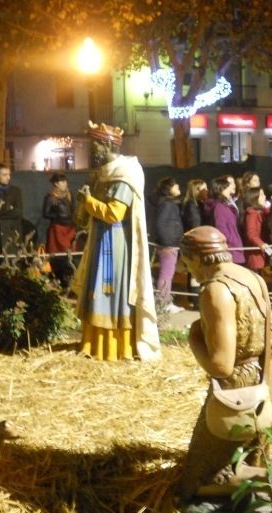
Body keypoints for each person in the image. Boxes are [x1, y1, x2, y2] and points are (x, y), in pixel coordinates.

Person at [177, 226, 272, 503]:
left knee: (198, 481)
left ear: (196, 258)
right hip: (266, 379)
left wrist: (194, 339)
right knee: (252, 455)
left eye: (187, 263)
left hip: (237, 392)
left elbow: (221, 365)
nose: (189, 270)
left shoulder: (215, 290)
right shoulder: (250, 276)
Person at [69, 121, 159, 361]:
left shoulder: (124, 175)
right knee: (95, 290)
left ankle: (116, 348)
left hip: (115, 242)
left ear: (108, 144)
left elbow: (115, 213)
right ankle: (92, 344)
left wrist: (89, 201)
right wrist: (83, 204)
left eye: (95, 144)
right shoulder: (102, 175)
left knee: (110, 291)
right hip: (100, 240)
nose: (92, 149)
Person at [152, 177, 185, 314]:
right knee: (166, 274)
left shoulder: (167, 203)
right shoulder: (167, 204)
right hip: (168, 245)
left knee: (167, 273)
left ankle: (164, 302)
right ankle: (164, 303)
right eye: (176, 187)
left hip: (169, 243)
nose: (179, 189)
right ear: (169, 189)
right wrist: (168, 241)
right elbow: (160, 224)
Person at [42, 173, 77, 288]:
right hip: (57, 229)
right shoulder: (51, 197)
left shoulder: (69, 195)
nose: (65, 184)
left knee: (70, 254)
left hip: (69, 228)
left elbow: (73, 209)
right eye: (62, 182)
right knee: (57, 256)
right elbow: (45, 213)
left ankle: (70, 280)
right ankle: (59, 279)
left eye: (65, 181)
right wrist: (57, 215)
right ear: (56, 184)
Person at [205, 176, 245, 265]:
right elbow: (221, 228)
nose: (231, 187)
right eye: (228, 186)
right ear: (221, 189)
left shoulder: (226, 206)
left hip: (233, 248)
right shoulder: (219, 207)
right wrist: (234, 241)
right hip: (229, 249)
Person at [181, 179, 208, 308]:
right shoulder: (192, 206)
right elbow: (194, 224)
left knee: (194, 272)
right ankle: (196, 301)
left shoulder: (196, 204)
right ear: (197, 190)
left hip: (193, 240)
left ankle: (193, 299)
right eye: (204, 188)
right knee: (195, 272)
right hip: (195, 242)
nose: (207, 191)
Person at [242, 187, 270, 274]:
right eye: (261, 194)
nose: (264, 196)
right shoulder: (252, 213)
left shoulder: (261, 212)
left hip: (262, 251)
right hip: (255, 253)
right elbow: (251, 233)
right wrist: (260, 243)